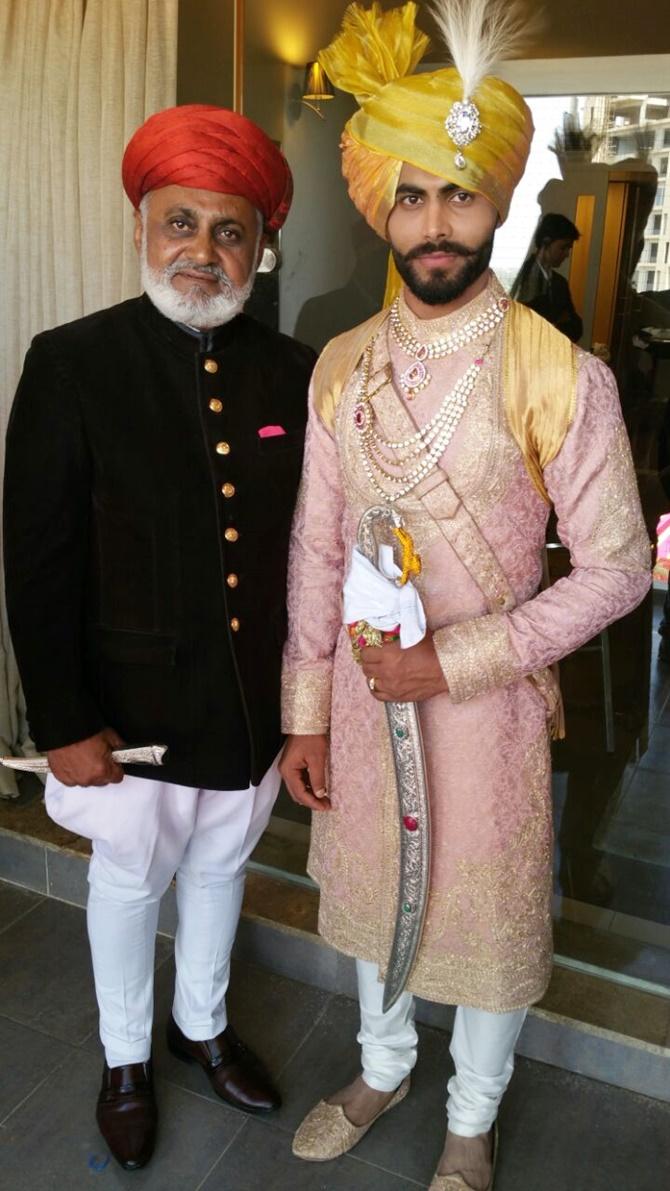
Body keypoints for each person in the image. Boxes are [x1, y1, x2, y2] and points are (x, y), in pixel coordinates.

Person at [278, 4, 650, 1190]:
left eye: (458, 195)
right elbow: (314, 542)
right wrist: (305, 711)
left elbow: (617, 569)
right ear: (381, 205)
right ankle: (382, 1067)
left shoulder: (561, 371)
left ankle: (470, 1118)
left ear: (496, 199)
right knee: (373, 892)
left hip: (484, 707)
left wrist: (456, 659)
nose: (434, 224)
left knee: (485, 924)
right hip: (357, 697)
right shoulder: (342, 363)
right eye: (411, 196)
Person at [4, 104, 315, 1171]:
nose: (202, 250)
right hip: (124, 711)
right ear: (141, 226)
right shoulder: (70, 362)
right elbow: (36, 563)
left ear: (261, 245)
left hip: (247, 703)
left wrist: (305, 706)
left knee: (224, 869)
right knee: (131, 881)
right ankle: (127, 1058)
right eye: (178, 222)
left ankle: (204, 1028)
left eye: (229, 230)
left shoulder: (294, 372)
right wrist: (64, 722)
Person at [510, 212, 583, 342]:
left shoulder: (560, 282)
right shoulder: (522, 277)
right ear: (546, 242)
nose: (567, 254)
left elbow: (576, 328)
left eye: (569, 248)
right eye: (563, 247)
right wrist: (558, 321)